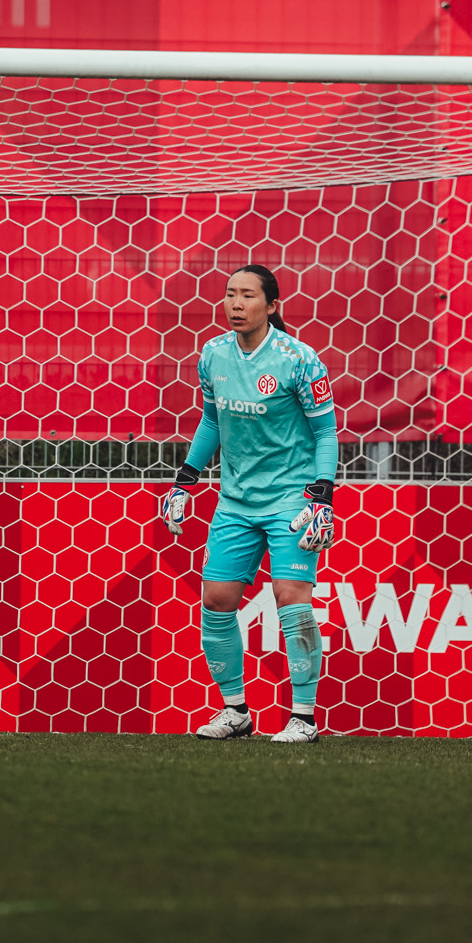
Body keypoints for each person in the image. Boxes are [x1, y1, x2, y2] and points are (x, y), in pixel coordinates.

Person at [159, 264, 339, 744]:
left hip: (292, 499)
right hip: (235, 501)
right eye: (229, 294)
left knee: (291, 598)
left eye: (248, 295)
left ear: (272, 305)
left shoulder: (299, 360)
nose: (236, 304)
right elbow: (211, 421)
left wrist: (323, 495)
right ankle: (236, 711)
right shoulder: (213, 354)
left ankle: (303, 718)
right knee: (216, 602)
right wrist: (184, 482)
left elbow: (326, 431)